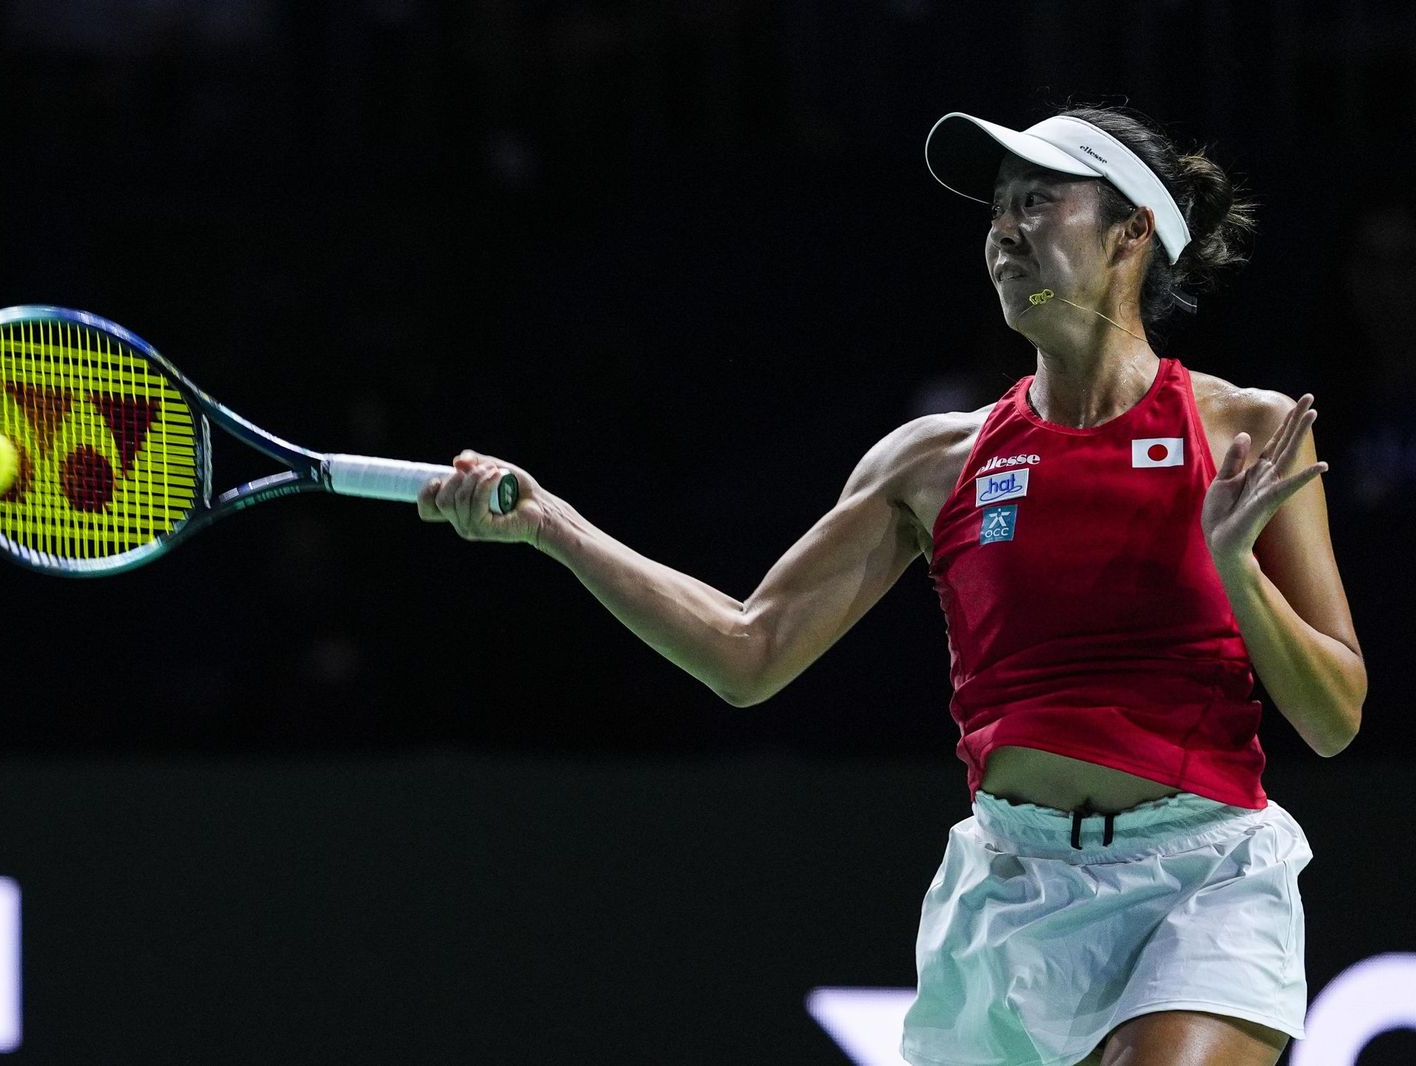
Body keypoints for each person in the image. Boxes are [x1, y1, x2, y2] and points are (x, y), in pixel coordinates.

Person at [417, 105, 1365, 1066]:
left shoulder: (1245, 429)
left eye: (1039, 201)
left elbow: (1334, 718)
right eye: (997, 210)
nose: (1004, 230)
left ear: (1131, 232)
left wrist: (1237, 568)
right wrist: (553, 526)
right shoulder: (934, 461)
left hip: (1203, 874)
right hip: (1011, 896)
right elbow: (749, 651)